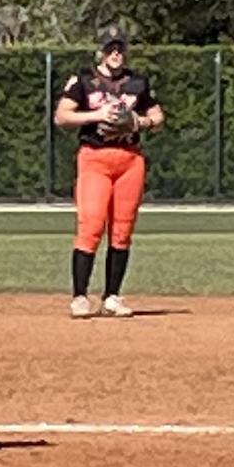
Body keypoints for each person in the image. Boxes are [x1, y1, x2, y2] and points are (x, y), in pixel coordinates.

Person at [53, 25, 165, 319]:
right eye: (110, 48)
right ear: (101, 51)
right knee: (90, 224)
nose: (116, 53)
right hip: (95, 157)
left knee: (122, 229)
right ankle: (79, 297)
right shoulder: (84, 79)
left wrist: (138, 122)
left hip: (130, 159)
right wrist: (97, 115)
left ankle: (112, 296)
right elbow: (62, 116)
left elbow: (157, 116)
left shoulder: (137, 82)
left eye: (120, 48)